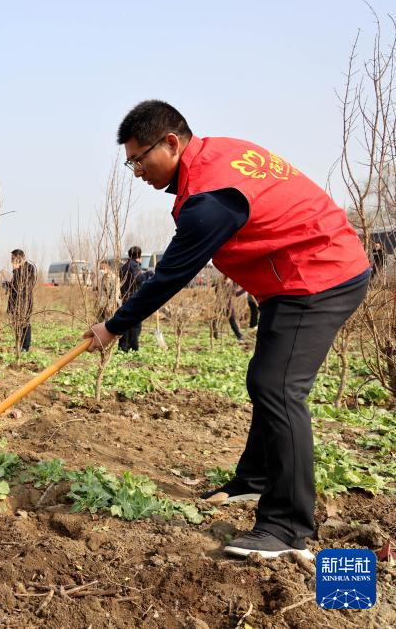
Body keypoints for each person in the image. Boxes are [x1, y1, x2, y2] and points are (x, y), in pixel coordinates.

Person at [85, 100, 370, 560]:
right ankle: (252, 482)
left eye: (140, 159)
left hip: (320, 273)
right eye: (130, 161)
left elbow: (171, 275)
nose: (136, 170)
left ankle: (286, 526)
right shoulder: (216, 158)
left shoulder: (212, 197)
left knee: (277, 386)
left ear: (172, 143)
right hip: (297, 276)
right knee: (267, 378)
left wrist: (114, 326)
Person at [118, 246, 150, 351]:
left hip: (124, 298)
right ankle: (132, 347)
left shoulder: (123, 267)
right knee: (135, 325)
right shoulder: (134, 266)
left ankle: (123, 347)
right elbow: (139, 280)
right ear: (139, 256)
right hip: (133, 299)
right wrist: (148, 274)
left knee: (124, 323)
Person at [6, 249, 36, 352]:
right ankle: (19, 344)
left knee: (25, 323)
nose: (11, 261)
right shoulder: (18, 269)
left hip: (25, 301)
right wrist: (8, 285)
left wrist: (16, 270)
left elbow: (24, 285)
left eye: (13, 259)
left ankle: (25, 347)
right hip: (16, 301)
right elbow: (15, 285)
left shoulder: (29, 268)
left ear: (19, 258)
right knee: (17, 323)